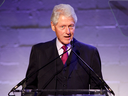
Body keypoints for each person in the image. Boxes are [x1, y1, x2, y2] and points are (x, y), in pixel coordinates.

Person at [25, 4, 104, 95]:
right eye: (62, 27)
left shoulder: (90, 53)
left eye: (71, 26)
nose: (68, 32)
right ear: (53, 26)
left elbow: (98, 91)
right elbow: (29, 89)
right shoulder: (39, 52)